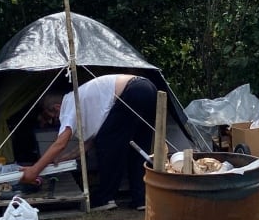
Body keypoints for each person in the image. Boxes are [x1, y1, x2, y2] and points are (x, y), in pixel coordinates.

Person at [20, 74, 157, 211]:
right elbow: (89, 142)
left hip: (131, 90)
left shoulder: (70, 104)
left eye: (50, 117)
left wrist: (34, 170)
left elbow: (60, 143)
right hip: (148, 87)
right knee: (138, 148)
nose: (54, 122)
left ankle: (105, 198)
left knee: (107, 144)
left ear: (56, 108)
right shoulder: (87, 102)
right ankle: (141, 199)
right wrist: (63, 159)